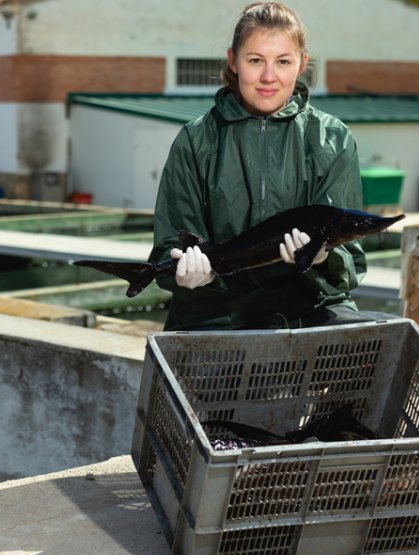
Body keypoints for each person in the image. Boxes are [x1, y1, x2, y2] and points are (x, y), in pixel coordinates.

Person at [150, 1, 397, 331]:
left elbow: (349, 262)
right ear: (233, 61)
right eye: (255, 60)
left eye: (283, 61)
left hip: (309, 306)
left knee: (386, 334)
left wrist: (323, 257)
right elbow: (169, 244)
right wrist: (189, 272)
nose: (269, 77)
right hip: (215, 312)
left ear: (302, 64)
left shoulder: (333, 138)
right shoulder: (196, 140)